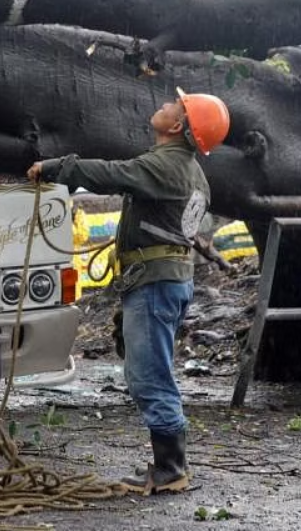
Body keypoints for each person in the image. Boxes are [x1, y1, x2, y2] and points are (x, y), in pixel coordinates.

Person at [27, 87, 230, 495]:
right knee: (152, 370)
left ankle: (171, 469)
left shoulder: (165, 166)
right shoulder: (193, 172)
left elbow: (112, 174)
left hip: (155, 283)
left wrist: (55, 168)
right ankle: (170, 464)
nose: (164, 104)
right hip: (166, 279)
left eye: (175, 105)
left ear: (178, 125)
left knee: (149, 375)